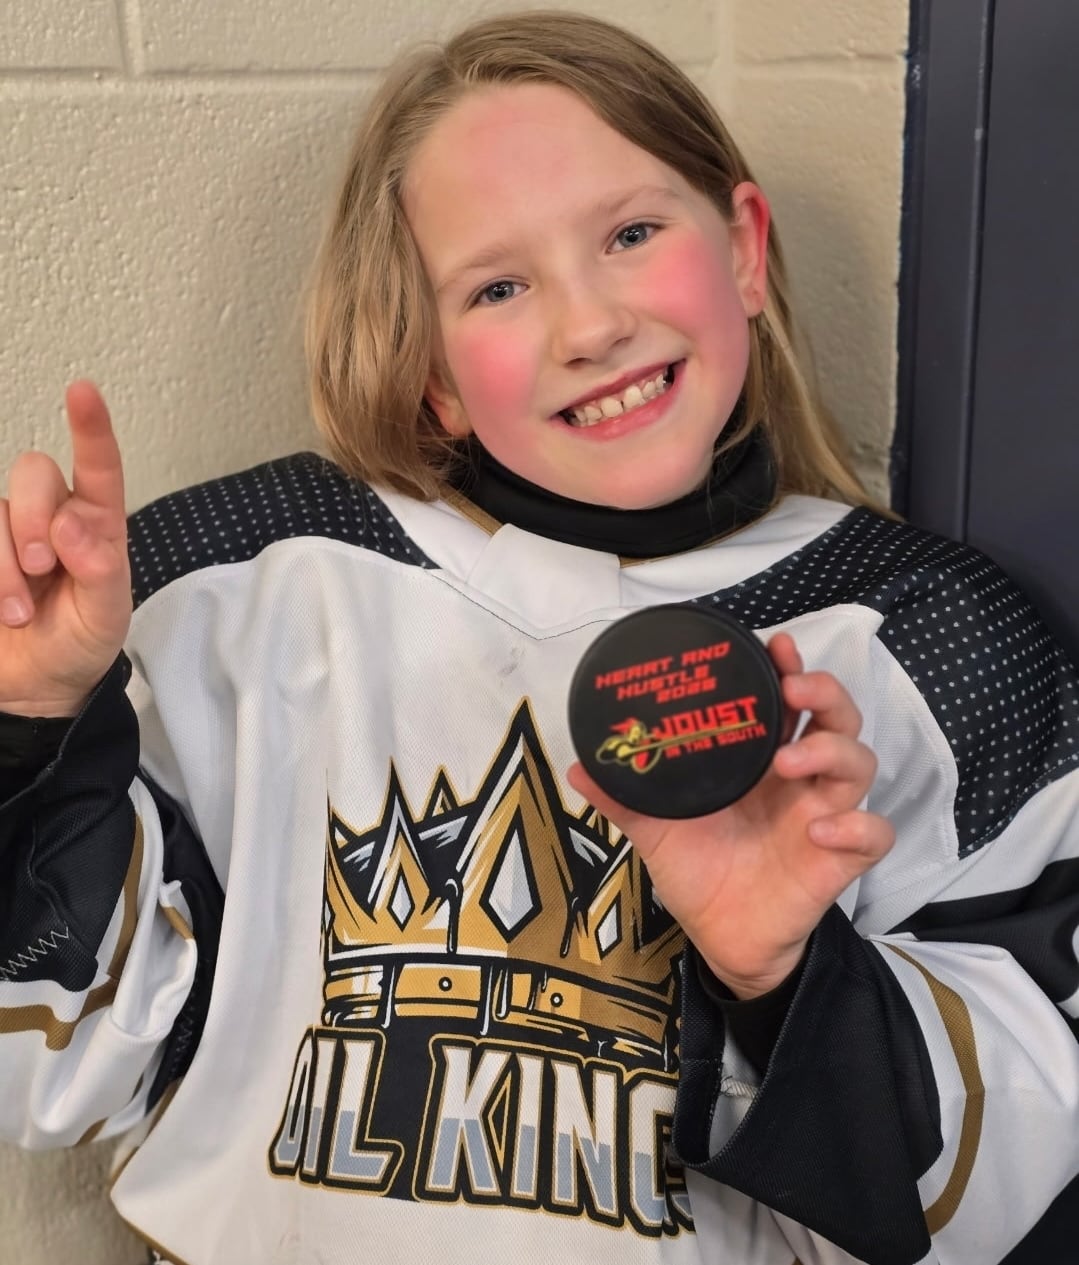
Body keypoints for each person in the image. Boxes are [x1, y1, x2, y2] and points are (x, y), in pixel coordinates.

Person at [2, 11, 1078, 1264]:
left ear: (741, 248)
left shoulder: (945, 638)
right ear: (433, 372)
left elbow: (1009, 1181)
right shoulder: (237, 582)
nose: (589, 325)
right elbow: (54, 1066)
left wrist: (785, 982)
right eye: (498, 287)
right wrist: (29, 729)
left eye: (630, 234)